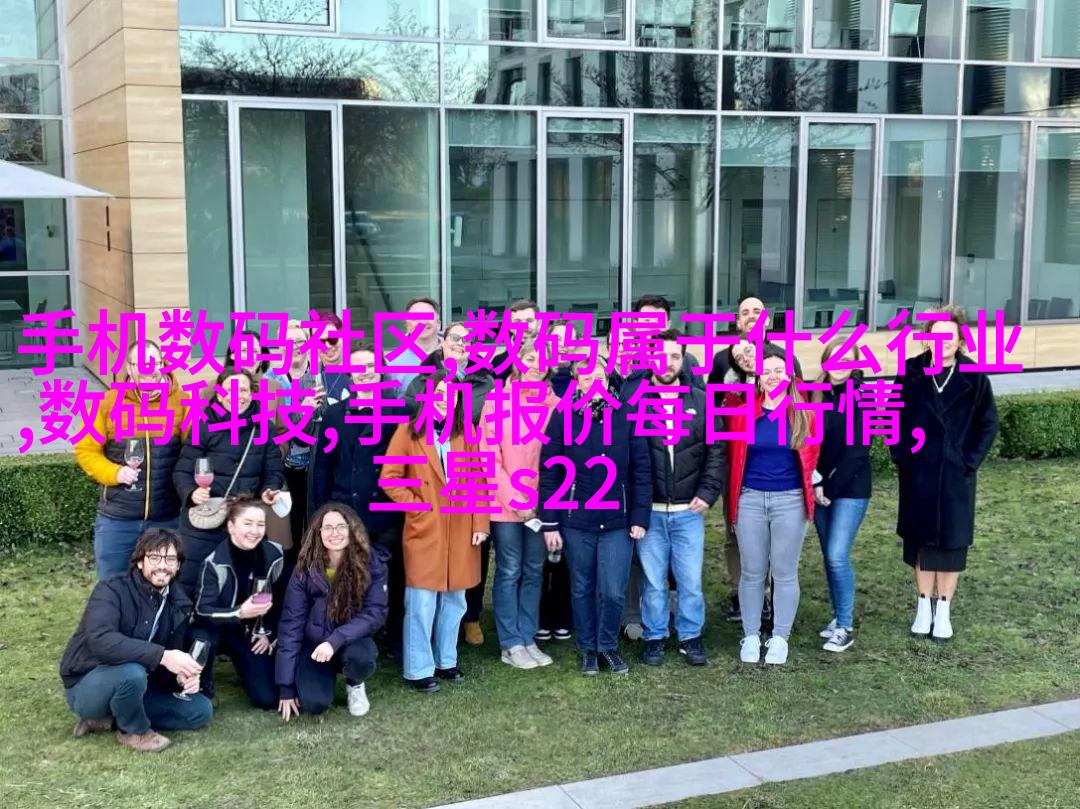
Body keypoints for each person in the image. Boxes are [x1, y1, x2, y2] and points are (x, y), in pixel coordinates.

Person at [891, 305, 999, 642]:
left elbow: (988, 424)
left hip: (955, 476)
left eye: (949, 336)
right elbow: (892, 417)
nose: (943, 342)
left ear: (960, 339)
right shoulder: (910, 371)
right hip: (918, 473)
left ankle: (944, 609)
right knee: (920, 542)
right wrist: (902, 457)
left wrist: (968, 462)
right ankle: (923, 605)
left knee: (952, 544)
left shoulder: (975, 376)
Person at [538, 359, 651, 676]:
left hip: (618, 519)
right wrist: (550, 522)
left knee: (613, 590)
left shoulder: (626, 414)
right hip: (577, 519)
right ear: (577, 383)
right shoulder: (563, 415)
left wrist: (640, 516)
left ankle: (607, 646)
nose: (594, 384)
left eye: (600, 377)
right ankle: (588, 648)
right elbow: (550, 471)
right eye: (587, 378)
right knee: (582, 587)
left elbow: (641, 469)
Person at [622, 330, 727, 667]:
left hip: (688, 511)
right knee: (653, 581)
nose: (666, 363)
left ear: (683, 360)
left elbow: (717, 452)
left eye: (674, 356)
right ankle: (654, 636)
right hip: (650, 511)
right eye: (659, 356)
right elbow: (628, 459)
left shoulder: (702, 401)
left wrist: (707, 493)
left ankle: (690, 636)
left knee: (690, 581)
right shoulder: (635, 403)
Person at [382, 372, 491, 693]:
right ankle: (418, 669)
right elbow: (390, 478)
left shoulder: (466, 433)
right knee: (421, 602)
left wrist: (480, 524)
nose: (445, 398)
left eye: (452, 393)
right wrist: (417, 506)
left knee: (455, 600)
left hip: (461, 528)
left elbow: (478, 481)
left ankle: (446, 661)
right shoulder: (408, 432)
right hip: (426, 529)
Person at [60, 529, 212, 752]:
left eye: (170, 559)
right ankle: (133, 731)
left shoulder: (179, 603)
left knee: (200, 710)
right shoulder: (111, 589)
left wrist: (180, 678)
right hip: (89, 682)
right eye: (155, 558)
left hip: (139, 685)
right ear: (140, 562)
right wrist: (163, 656)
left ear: (178, 565)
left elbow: (166, 665)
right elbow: (101, 640)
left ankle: (108, 719)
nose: (163, 566)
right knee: (132, 673)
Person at [726, 346, 820, 666]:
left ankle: (780, 637)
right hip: (750, 499)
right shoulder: (744, 412)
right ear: (757, 377)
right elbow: (733, 456)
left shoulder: (804, 413)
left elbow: (813, 456)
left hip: (790, 501)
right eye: (766, 371)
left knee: (784, 572)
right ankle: (751, 635)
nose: (772, 376)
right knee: (752, 572)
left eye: (779, 370)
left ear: (790, 375)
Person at [311, 343, 406, 658]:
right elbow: (323, 466)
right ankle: (349, 639)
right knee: (346, 576)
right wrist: (321, 512)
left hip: (386, 511)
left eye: (370, 366)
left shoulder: (398, 411)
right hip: (345, 511)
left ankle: (394, 637)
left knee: (392, 576)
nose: (365, 373)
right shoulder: (334, 414)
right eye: (358, 367)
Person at [403, 320, 495, 645]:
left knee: (472, 550)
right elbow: (412, 411)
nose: (461, 345)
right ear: (443, 340)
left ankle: (470, 617)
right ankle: (430, 629)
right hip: (433, 466)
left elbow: (490, 418)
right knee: (433, 554)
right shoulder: (423, 377)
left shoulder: (485, 379)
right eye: (456, 338)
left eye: (468, 342)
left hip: (471, 463)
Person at [75, 340, 188, 579]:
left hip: (166, 517)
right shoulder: (106, 403)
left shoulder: (182, 402)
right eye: (141, 364)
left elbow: (196, 451)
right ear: (129, 367)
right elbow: (86, 450)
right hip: (117, 519)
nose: (148, 370)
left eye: (154, 363)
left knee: (164, 585)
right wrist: (114, 473)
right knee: (113, 586)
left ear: (163, 364)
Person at [481, 338, 560, 670]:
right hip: (505, 506)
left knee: (534, 570)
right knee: (510, 570)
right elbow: (489, 458)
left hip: (542, 506)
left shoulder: (556, 405)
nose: (536, 366)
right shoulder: (497, 402)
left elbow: (558, 458)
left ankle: (527, 637)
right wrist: (517, 501)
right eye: (529, 358)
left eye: (542, 360)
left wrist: (543, 503)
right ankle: (510, 642)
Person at [174, 369, 286, 598]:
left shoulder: (264, 427)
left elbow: (273, 472)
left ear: (252, 394)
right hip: (205, 521)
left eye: (243, 390)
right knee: (193, 584)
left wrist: (268, 490)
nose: (237, 397)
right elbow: (182, 470)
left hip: (244, 522)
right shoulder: (203, 424)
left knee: (242, 587)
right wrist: (192, 493)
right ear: (219, 394)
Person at [276, 503, 388, 720]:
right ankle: (318, 678)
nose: (334, 533)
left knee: (361, 658)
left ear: (352, 529)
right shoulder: (306, 567)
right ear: (318, 533)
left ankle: (354, 684)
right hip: (315, 645)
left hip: (351, 640)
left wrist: (336, 640)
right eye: (327, 528)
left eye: (340, 526)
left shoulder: (371, 562)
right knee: (314, 704)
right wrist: (286, 685)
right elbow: (292, 623)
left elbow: (375, 613)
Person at [193, 498, 285, 707]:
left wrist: (268, 632)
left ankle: (246, 670)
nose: (255, 531)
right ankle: (202, 687)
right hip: (216, 629)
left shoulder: (275, 555)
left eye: (260, 524)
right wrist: (239, 612)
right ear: (231, 527)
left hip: (250, 632)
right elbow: (202, 611)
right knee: (200, 637)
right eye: (248, 523)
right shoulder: (213, 562)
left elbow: (283, 602)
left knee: (267, 699)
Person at [812, 339, 873, 653]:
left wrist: (829, 488)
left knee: (837, 555)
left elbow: (857, 451)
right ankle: (838, 616)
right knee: (829, 557)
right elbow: (807, 441)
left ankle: (845, 627)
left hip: (850, 489)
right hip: (818, 488)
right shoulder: (814, 393)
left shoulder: (863, 395)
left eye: (846, 360)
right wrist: (815, 483)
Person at [264, 319, 323, 545]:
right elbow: (269, 427)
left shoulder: (320, 376)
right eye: (288, 342)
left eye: (300, 341)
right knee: (288, 531)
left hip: (318, 464)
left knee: (316, 527)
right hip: (283, 468)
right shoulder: (271, 381)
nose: (294, 347)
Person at [384, 296, 442, 393]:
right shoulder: (391, 364)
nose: (422, 322)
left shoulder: (457, 354)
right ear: (407, 326)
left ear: (438, 324)